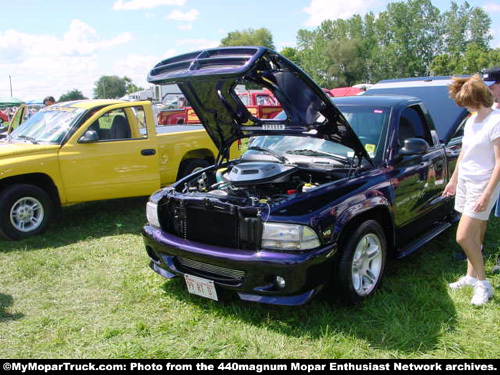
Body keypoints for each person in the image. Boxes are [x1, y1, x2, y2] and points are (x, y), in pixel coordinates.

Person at [443, 74, 500, 306]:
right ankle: (470, 276)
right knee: (475, 233)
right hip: (466, 181)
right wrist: (453, 180)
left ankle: (483, 285)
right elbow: (464, 153)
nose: (465, 106)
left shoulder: (496, 121)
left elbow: (499, 162)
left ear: (477, 99)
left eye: (467, 102)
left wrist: (487, 194)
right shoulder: (471, 120)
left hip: (483, 184)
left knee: (463, 236)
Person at [483, 66, 500, 274]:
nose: (489, 91)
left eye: (493, 87)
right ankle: (476, 247)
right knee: (483, 212)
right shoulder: (492, 109)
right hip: (490, 169)